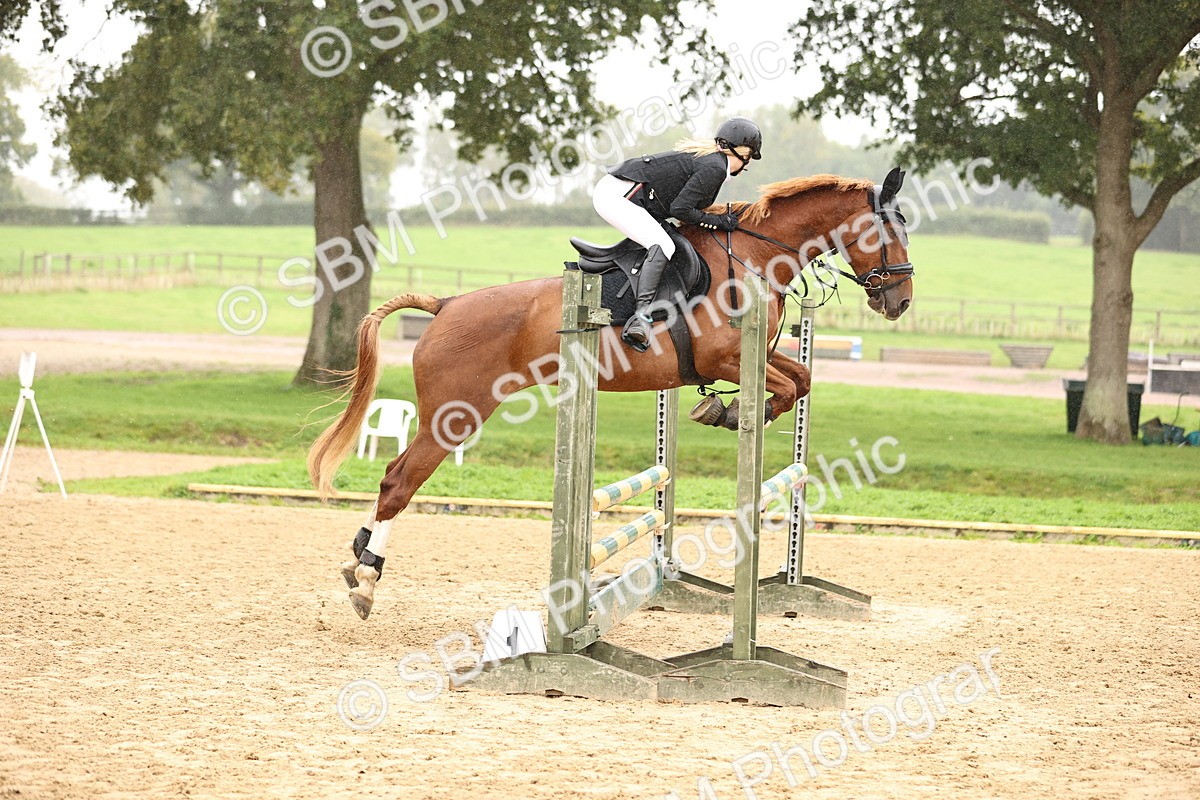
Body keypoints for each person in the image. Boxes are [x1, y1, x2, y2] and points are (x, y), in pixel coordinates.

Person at [591, 116, 763, 351]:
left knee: (667, 241)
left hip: (623, 194)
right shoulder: (714, 167)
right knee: (664, 246)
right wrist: (718, 221)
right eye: (750, 157)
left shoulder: (712, 163)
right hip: (617, 196)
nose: (747, 165)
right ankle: (639, 318)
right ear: (741, 152)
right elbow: (680, 209)